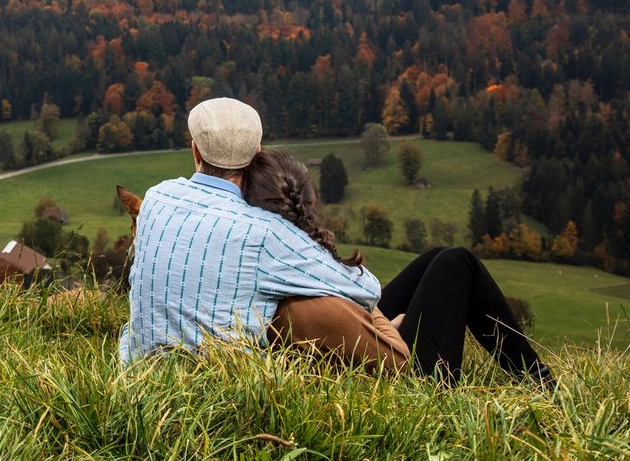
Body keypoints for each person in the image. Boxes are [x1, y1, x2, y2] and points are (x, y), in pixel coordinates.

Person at [123, 98, 554, 388]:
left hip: (145, 373)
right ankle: (540, 385)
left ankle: (536, 381)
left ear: (195, 151)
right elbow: (365, 289)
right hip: (222, 388)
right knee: (457, 262)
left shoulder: (160, 198)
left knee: (436, 259)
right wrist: (388, 324)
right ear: (257, 150)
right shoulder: (263, 233)